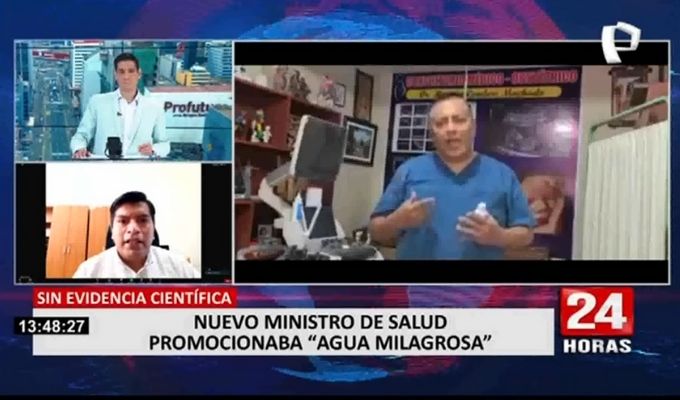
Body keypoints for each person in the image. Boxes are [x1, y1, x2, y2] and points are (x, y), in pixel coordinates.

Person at [368, 94, 536, 260]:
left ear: (473, 127)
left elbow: (526, 234)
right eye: (440, 123)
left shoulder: (503, 174)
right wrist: (396, 221)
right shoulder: (409, 170)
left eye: (459, 120)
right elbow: (375, 231)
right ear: (432, 133)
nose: (450, 129)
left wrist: (499, 236)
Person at [72, 191, 199, 278]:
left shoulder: (180, 267)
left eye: (142, 220)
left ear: (153, 228)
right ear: (112, 231)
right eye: (123, 221)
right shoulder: (88, 272)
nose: (133, 229)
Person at [70, 53, 169, 159]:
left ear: (139, 74)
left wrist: (153, 149)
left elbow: (164, 144)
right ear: (115, 75)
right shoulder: (97, 102)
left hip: (139, 167)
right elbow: (81, 136)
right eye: (121, 72)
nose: (126, 77)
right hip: (104, 167)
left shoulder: (154, 107)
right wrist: (79, 148)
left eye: (131, 71)